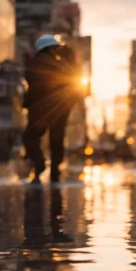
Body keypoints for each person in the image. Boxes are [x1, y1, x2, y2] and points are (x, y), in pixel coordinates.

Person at [22, 35, 82, 183]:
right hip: (60, 107)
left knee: (31, 137)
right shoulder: (62, 64)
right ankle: (55, 170)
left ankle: (39, 164)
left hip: (39, 107)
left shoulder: (35, 64)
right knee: (57, 138)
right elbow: (74, 82)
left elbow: (29, 78)